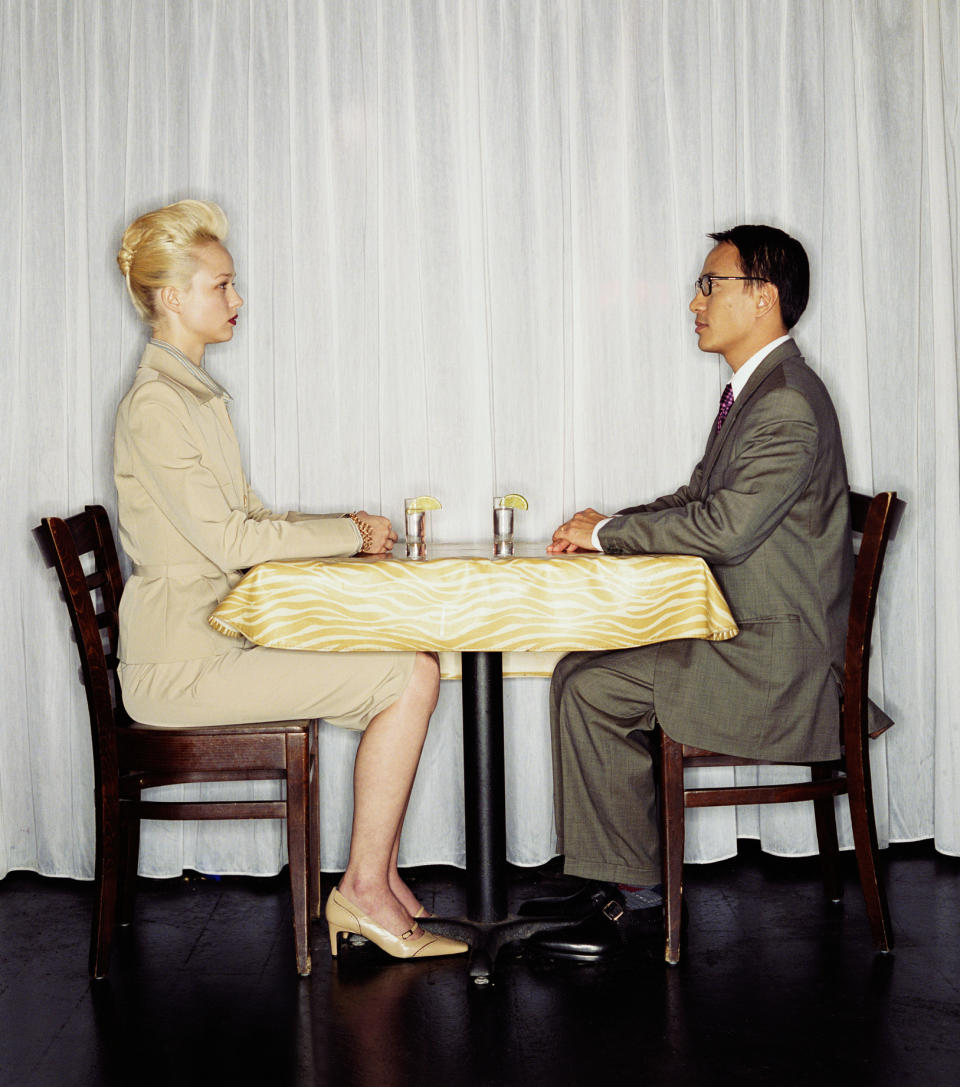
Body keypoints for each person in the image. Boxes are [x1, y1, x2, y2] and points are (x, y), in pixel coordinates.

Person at [114, 199, 466, 961]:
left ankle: (378, 873)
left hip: (209, 643)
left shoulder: (192, 396)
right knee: (410, 674)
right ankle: (363, 891)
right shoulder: (157, 405)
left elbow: (248, 516)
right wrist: (348, 534)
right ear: (173, 297)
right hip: (179, 666)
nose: (237, 301)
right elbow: (234, 540)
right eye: (222, 286)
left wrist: (344, 526)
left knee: (411, 662)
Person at [522, 225, 855, 961]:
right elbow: (699, 495)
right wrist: (608, 523)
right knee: (581, 668)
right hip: (748, 637)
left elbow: (728, 527)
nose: (694, 301)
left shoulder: (789, 403)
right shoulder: (761, 391)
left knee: (593, 685)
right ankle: (607, 873)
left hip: (776, 665)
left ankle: (635, 900)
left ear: (762, 298)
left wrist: (608, 534)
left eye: (712, 284)